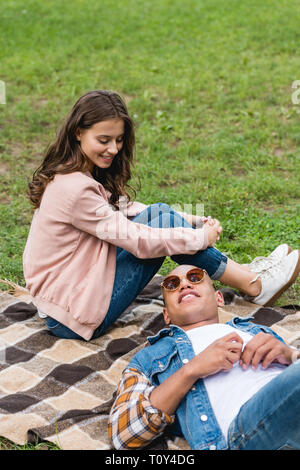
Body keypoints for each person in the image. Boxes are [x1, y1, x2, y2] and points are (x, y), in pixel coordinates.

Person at [23, 90, 300, 341]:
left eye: (119, 140)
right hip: (71, 315)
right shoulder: (75, 189)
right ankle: (254, 284)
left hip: (66, 297)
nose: (113, 149)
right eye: (103, 140)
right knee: (160, 229)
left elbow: (125, 209)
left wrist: (191, 220)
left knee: (160, 215)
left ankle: (248, 275)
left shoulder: (74, 172)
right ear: (78, 133)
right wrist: (199, 237)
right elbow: (138, 241)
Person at [108, 264, 300, 450]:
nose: (185, 285)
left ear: (219, 298)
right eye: (173, 284)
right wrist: (191, 370)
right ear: (166, 315)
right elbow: (122, 435)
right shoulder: (149, 357)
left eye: (195, 277)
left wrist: (290, 354)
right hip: (248, 429)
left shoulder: (256, 330)